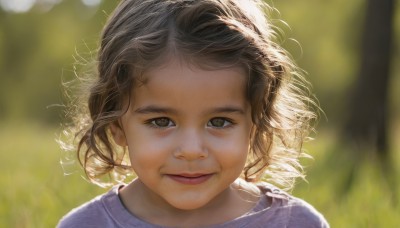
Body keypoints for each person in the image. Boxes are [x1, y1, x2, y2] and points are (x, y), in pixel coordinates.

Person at [58, 0, 329, 227]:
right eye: (161, 121)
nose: (191, 150)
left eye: (219, 122)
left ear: (256, 122)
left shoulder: (296, 223)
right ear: (117, 125)